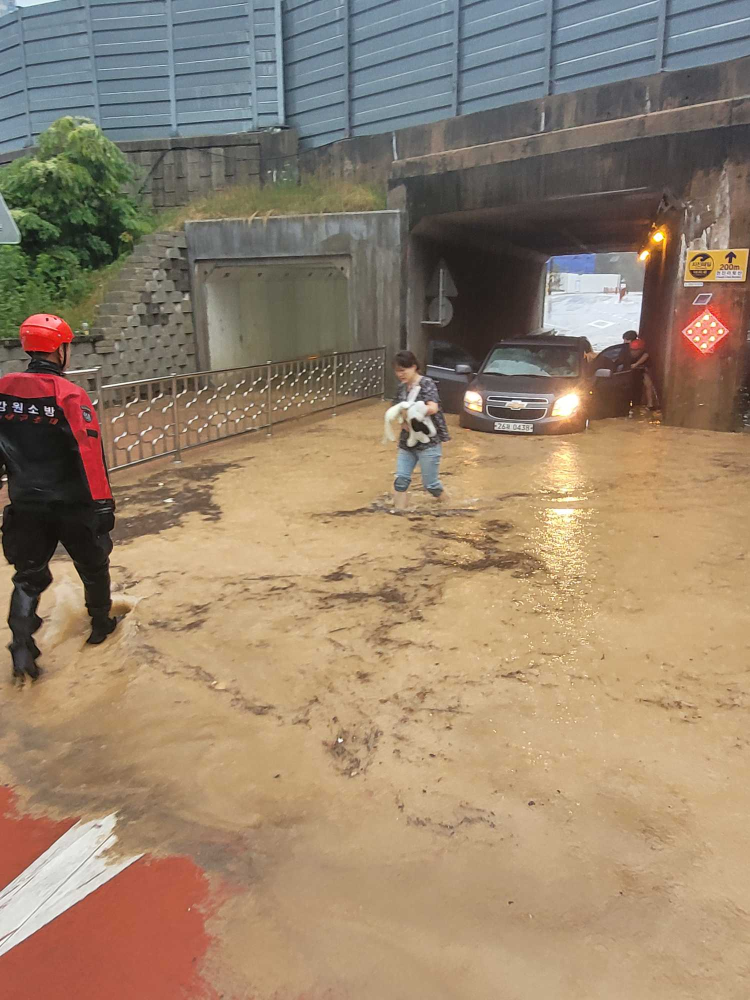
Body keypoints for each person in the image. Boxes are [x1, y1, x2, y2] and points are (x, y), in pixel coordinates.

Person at [0, 314, 118, 683]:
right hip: (72, 502)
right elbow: (90, 453)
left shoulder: (3, 390)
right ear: (61, 350)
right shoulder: (70, 395)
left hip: (25, 503)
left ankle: (21, 648)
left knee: (27, 577)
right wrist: (103, 505)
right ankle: (101, 624)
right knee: (93, 565)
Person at [390, 350, 449, 512]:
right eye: (397, 371)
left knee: (431, 485)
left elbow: (433, 407)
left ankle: (448, 505)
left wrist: (417, 411)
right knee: (400, 480)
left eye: (403, 370)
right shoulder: (401, 389)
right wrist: (403, 420)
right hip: (406, 442)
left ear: (414, 367)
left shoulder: (427, 384)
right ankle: (398, 515)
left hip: (428, 442)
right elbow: (396, 409)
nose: (400, 374)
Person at [618, 330, 658, 410]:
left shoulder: (637, 346)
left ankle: (650, 404)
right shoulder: (625, 348)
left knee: (648, 384)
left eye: (626, 339)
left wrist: (636, 364)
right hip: (630, 370)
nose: (624, 341)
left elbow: (646, 355)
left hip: (641, 369)